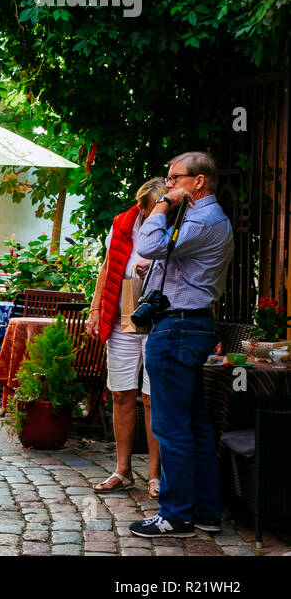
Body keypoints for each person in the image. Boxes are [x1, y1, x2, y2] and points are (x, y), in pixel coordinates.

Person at [128, 152, 233, 538]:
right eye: (167, 180)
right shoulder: (205, 219)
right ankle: (205, 512)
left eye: (174, 178)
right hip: (188, 325)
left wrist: (161, 204)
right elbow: (168, 257)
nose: (168, 184)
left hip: (178, 328)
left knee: (172, 428)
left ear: (198, 181)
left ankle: (176, 515)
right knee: (195, 426)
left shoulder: (204, 218)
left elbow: (149, 242)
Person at [88, 177, 166, 497]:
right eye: (147, 213)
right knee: (121, 394)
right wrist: (95, 309)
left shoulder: (177, 228)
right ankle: (122, 470)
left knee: (152, 398)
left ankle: (154, 475)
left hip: (159, 317)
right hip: (123, 314)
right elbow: (108, 266)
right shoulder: (123, 224)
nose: (151, 219)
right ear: (141, 206)